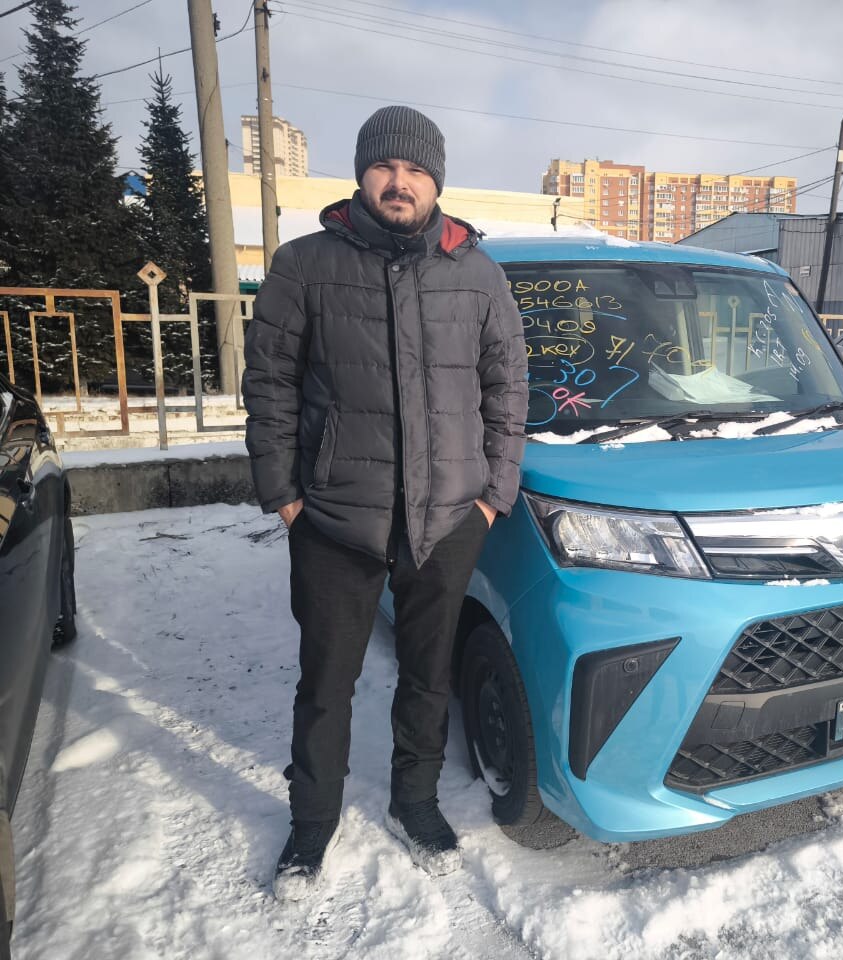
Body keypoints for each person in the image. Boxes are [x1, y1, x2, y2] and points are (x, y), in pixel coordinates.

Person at [242, 106, 528, 899]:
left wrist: (493, 496)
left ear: (436, 180)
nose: (400, 182)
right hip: (335, 521)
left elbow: (508, 390)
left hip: (449, 520)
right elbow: (269, 385)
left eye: (416, 170)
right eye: (385, 167)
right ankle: (312, 824)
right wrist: (284, 496)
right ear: (362, 174)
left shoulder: (477, 273)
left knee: (428, 678)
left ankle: (414, 801)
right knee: (325, 684)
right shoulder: (305, 265)